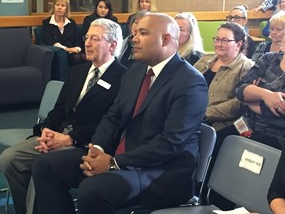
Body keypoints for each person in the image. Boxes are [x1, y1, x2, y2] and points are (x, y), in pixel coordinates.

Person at [31, 13, 208, 214]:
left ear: (165, 39)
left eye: (143, 33)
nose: (134, 39)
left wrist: (113, 163)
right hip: (121, 158)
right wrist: (95, 149)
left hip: (160, 172)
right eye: (135, 33)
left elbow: (170, 143)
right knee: (45, 166)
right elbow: (113, 117)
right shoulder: (135, 71)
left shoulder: (190, 82)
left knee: (94, 190)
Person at [0, 18, 126, 214]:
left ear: (113, 45)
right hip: (57, 136)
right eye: (87, 37)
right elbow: (59, 110)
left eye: (95, 38)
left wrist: (70, 139)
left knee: (40, 167)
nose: (87, 43)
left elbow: (109, 124)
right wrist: (45, 130)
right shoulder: (78, 71)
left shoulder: (123, 78)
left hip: (85, 143)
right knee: (9, 159)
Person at [194, 22, 254, 132]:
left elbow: (239, 103)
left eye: (225, 40)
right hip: (191, 115)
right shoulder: (205, 59)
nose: (218, 44)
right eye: (217, 39)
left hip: (220, 126)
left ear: (238, 44)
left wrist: (203, 113)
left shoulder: (247, 67)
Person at [41, 0, 86, 67]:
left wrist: (77, 49)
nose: (59, 8)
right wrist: (67, 49)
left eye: (63, 5)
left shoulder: (71, 23)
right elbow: (50, 41)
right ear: (53, 7)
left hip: (74, 52)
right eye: (57, 5)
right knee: (77, 58)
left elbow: (78, 40)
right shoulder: (47, 23)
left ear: (66, 9)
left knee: (84, 57)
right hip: (58, 54)